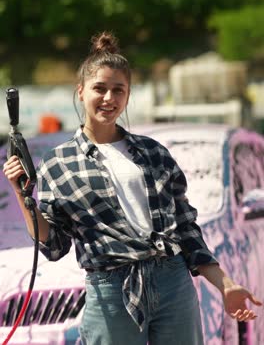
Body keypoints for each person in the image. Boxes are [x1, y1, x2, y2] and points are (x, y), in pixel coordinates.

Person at [3, 32, 262, 345]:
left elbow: (186, 228)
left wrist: (225, 285)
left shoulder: (154, 153)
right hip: (111, 293)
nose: (109, 98)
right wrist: (21, 194)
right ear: (81, 91)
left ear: (127, 96)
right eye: (100, 88)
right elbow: (54, 244)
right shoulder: (58, 164)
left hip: (173, 284)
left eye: (118, 90)